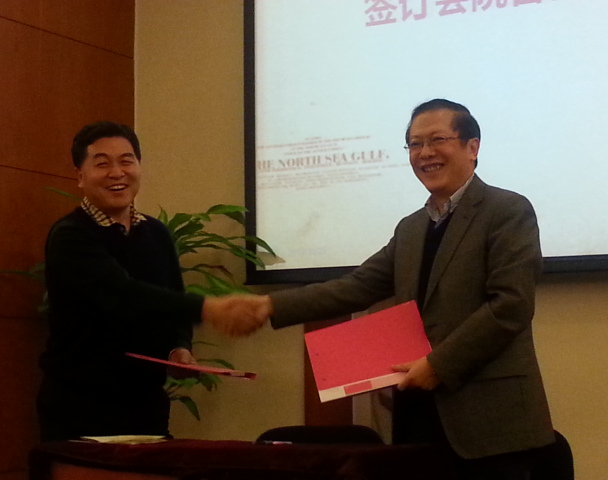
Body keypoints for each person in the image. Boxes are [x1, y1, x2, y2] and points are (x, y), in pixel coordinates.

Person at [228, 99, 555, 479]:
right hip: (419, 418)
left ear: (472, 147)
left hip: (491, 426)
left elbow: (511, 306)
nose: (425, 153)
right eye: (415, 144)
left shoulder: (507, 210)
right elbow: (358, 285)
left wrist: (439, 365)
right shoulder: (411, 228)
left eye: (437, 140)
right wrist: (270, 305)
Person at [36, 121, 259, 441]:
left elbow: (173, 301)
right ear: (80, 175)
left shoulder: (156, 233)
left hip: (147, 407)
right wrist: (210, 308)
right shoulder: (70, 236)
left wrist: (179, 348)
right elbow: (123, 295)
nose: (117, 173)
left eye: (126, 161)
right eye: (102, 163)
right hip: (80, 409)